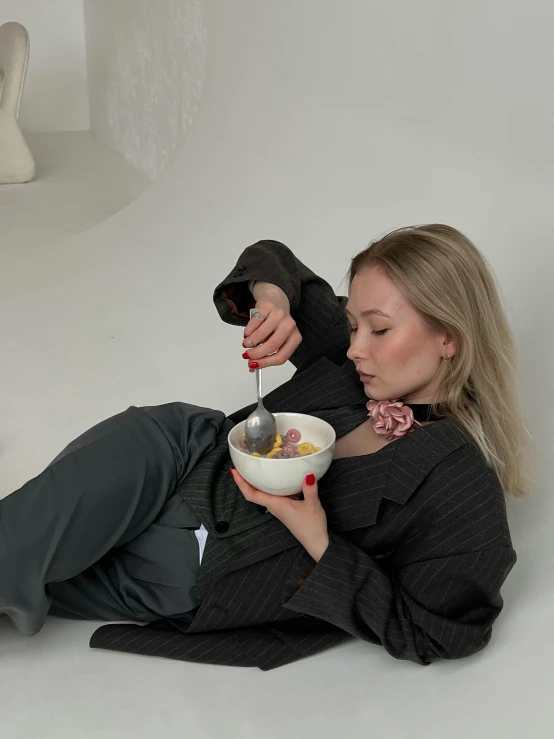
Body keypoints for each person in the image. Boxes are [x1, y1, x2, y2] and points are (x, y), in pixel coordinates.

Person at [0, 225, 530, 671]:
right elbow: (275, 259)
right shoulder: (356, 362)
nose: (354, 349)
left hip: (196, 580)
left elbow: (440, 632)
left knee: (28, 569)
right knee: (13, 548)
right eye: (351, 326)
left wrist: (321, 544)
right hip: (174, 459)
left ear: (449, 338)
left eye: (380, 330)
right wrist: (272, 300)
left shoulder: (461, 483)